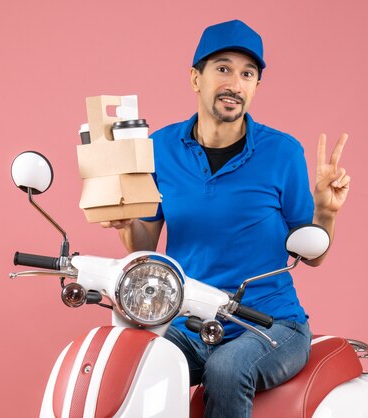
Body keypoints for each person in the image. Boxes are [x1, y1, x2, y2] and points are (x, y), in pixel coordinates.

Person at [101, 20, 350, 418]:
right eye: (223, 69)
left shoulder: (283, 152)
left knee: (227, 368)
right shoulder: (159, 148)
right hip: (189, 320)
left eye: (247, 74)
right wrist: (125, 222)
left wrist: (325, 211)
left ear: (255, 87)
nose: (235, 83)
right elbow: (144, 246)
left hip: (272, 325)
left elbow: (314, 253)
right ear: (195, 78)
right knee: (136, 359)